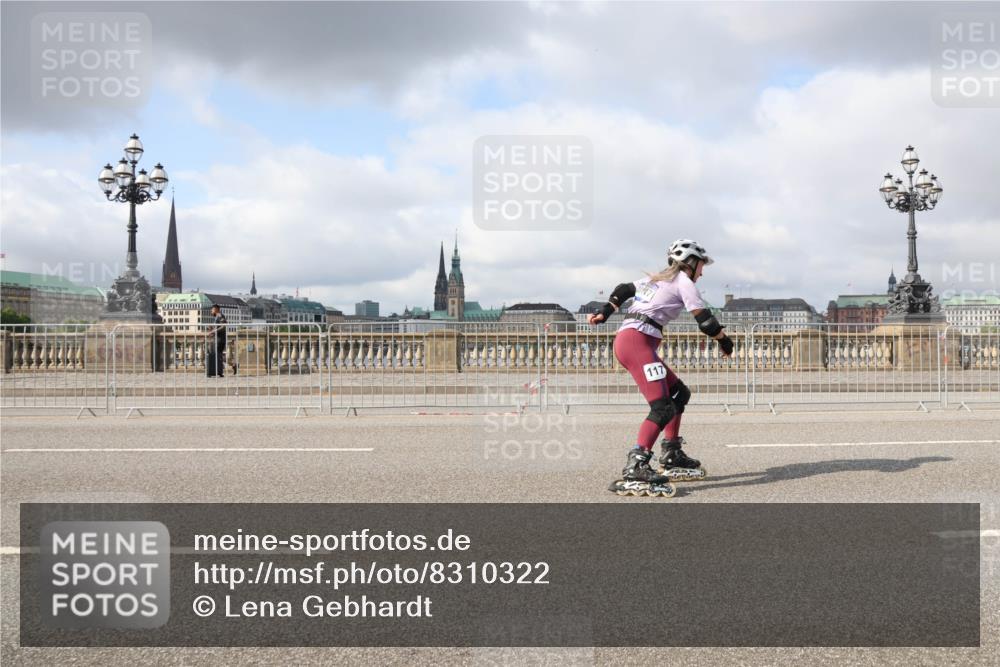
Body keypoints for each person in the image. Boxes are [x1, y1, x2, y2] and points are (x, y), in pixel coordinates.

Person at [589, 239, 734, 487]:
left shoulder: (655, 280)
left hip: (633, 341)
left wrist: (606, 310)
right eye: (701, 265)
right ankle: (636, 464)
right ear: (690, 263)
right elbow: (706, 321)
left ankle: (672, 453)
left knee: (679, 392)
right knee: (662, 407)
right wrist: (724, 341)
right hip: (636, 343)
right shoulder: (683, 282)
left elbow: (624, 289)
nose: (702, 271)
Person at [205, 304, 228, 378]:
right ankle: (220, 371)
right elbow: (219, 328)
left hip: (220, 340)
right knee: (219, 355)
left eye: (212, 309)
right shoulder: (217, 317)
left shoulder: (220, 315)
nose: (211, 311)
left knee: (218, 355)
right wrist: (212, 329)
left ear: (216, 309)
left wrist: (213, 331)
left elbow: (224, 326)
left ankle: (218, 371)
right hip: (219, 339)